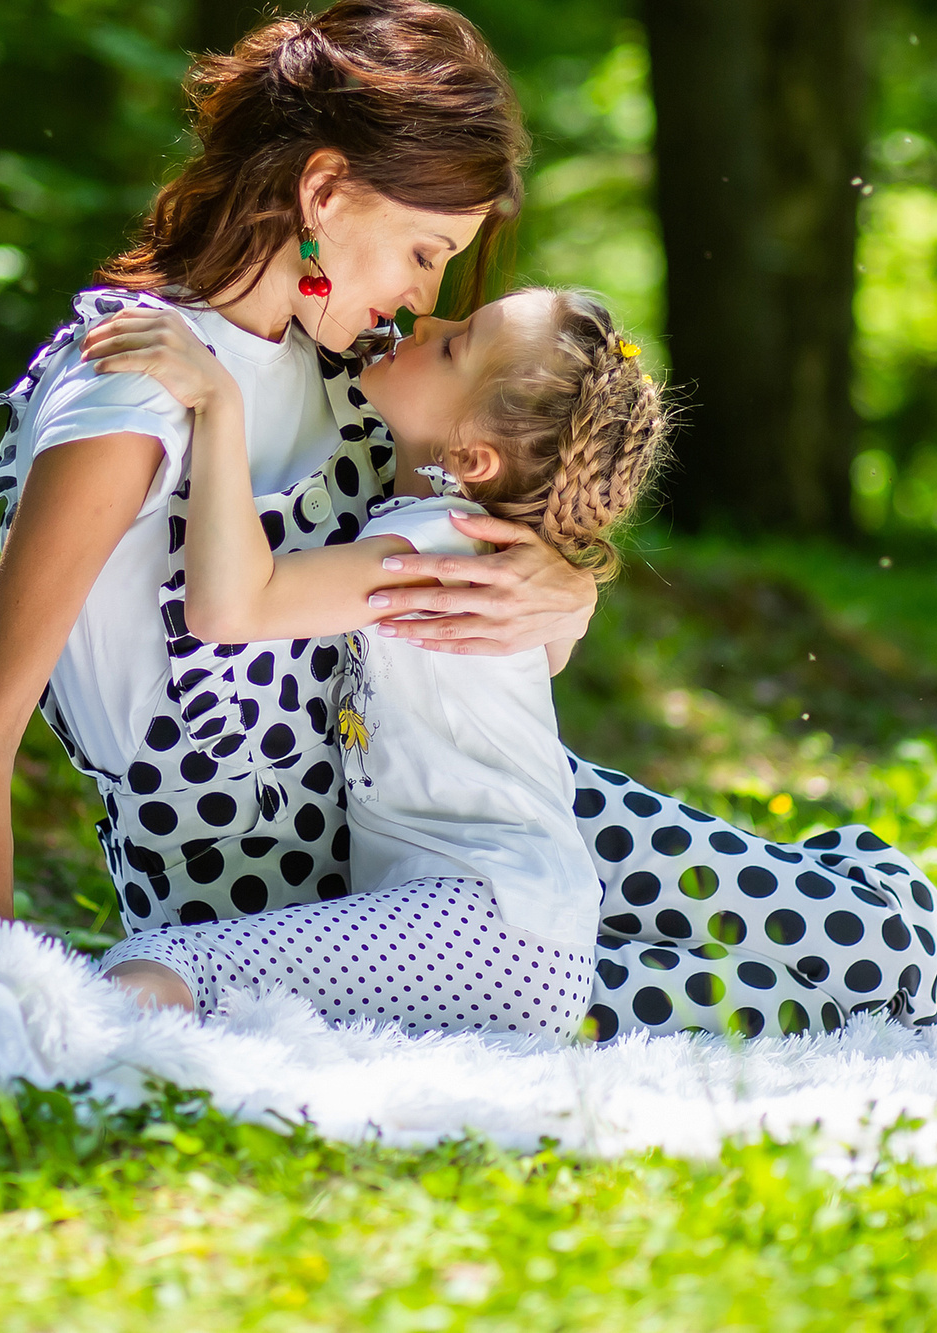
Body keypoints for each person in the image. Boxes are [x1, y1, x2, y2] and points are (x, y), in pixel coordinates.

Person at [0, 0, 937, 1038]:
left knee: (870, 934)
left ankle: (903, 970)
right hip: (300, 907)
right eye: (424, 253)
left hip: (441, 811)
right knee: (709, 986)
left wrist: (564, 581)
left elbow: (482, 498)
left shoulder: (337, 367)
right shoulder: (135, 394)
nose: (425, 302)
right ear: (324, 189)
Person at [72, 285, 662, 1039]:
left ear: (471, 456)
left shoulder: (439, 551)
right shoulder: (466, 549)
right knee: (233, 993)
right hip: (511, 928)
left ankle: (48, 1053)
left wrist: (219, 402)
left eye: (454, 346)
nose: (429, 320)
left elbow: (230, 609)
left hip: (489, 919)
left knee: (174, 961)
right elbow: (546, 658)